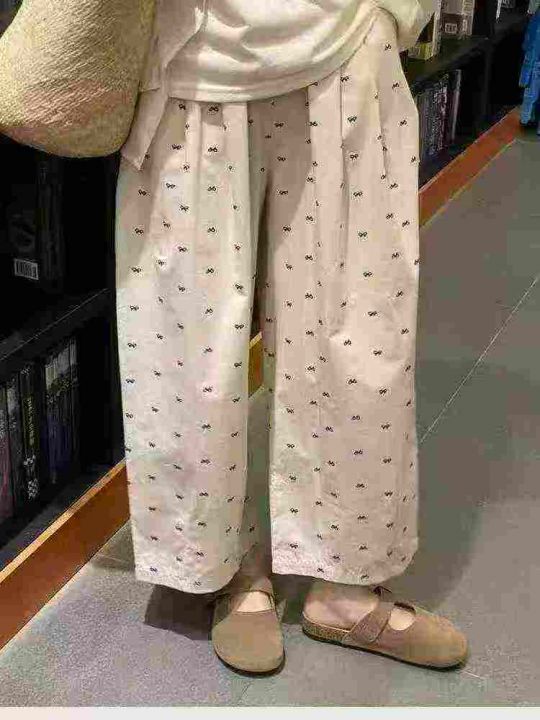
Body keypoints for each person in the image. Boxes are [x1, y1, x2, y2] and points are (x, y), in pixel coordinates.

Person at [115, 0, 469, 674]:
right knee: (191, 348)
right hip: (193, 60)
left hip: (347, 43)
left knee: (359, 330)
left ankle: (344, 583)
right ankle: (226, 567)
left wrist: (395, 14)